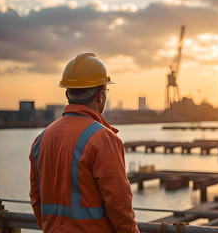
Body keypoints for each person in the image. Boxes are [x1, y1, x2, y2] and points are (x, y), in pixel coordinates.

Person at [29, 52, 139, 232]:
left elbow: (36, 199)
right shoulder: (103, 139)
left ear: (67, 92)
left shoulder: (41, 140)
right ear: (101, 95)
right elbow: (120, 208)